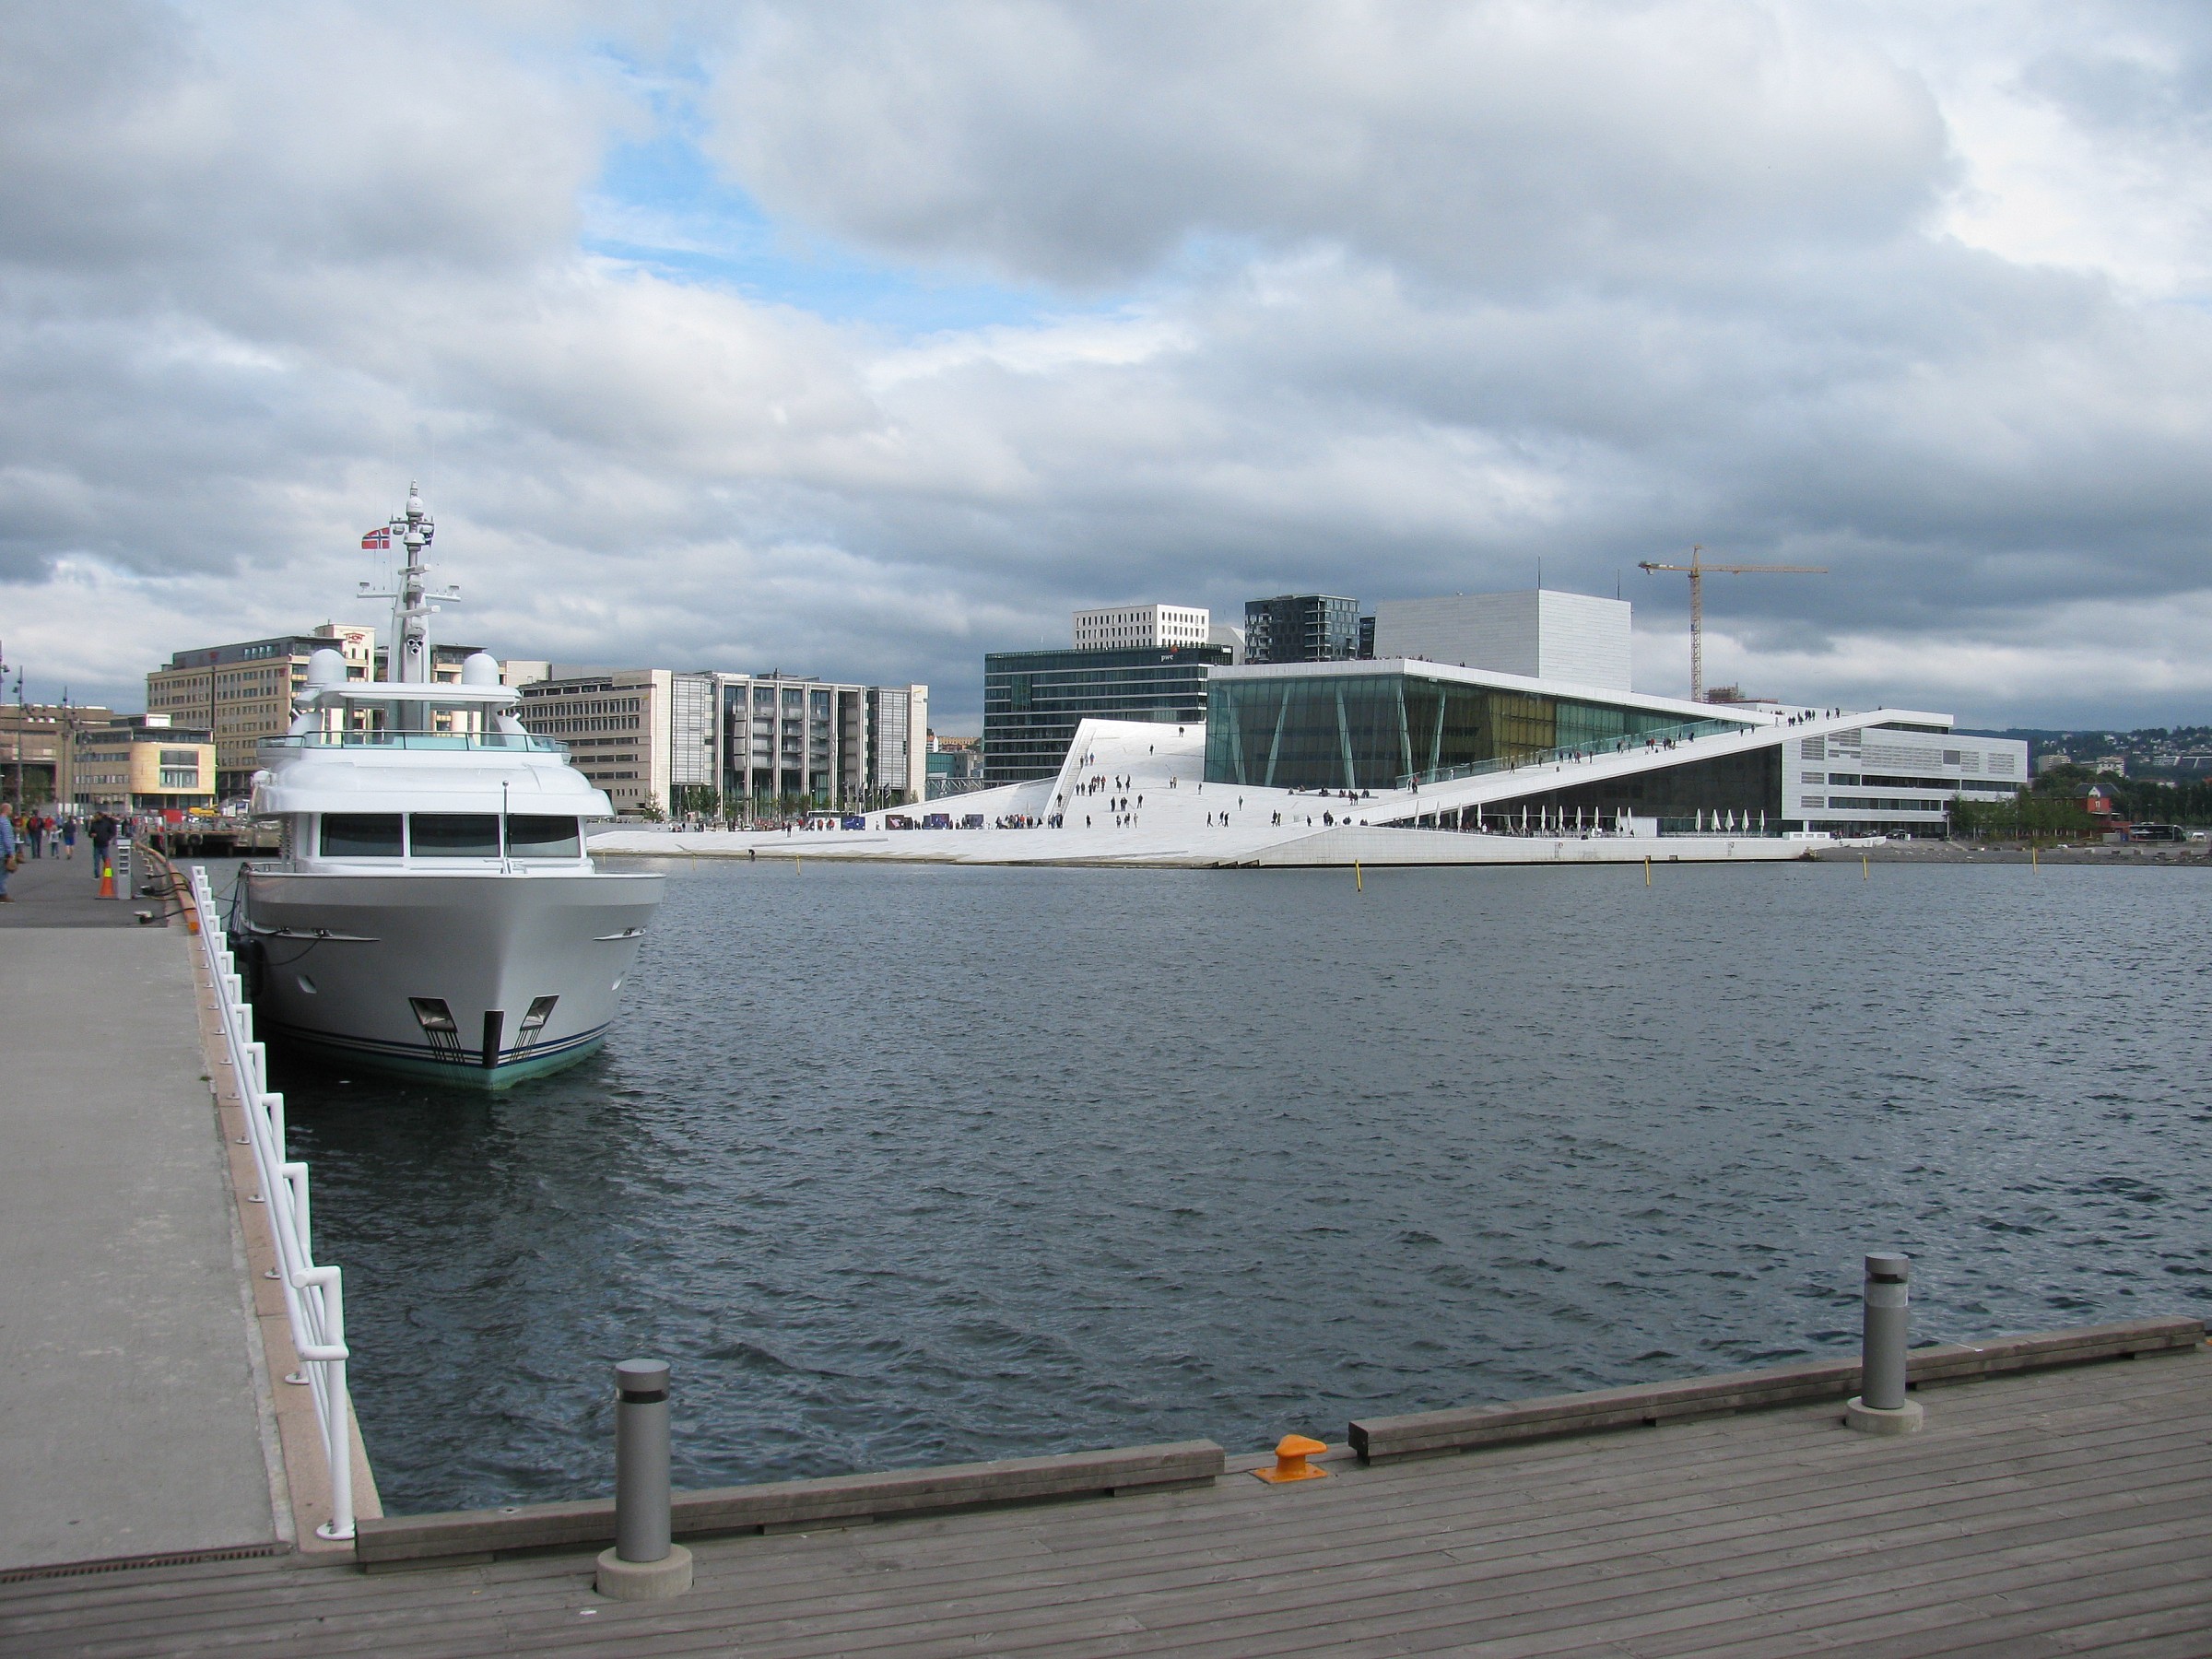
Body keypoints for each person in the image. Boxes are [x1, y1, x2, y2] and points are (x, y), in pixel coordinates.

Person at [0, 801, 15, 900]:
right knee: (3, 874)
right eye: (11, 810)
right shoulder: (5, 822)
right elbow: (7, 838)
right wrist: (11, 853)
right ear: (7, 810)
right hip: (2, 852)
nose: (11, 812)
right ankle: (2, 894)